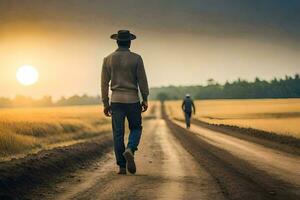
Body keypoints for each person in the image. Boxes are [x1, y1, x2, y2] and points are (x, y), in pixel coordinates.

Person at [101, 30, 149, 175]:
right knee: (136, 128)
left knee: (118, 134)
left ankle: (122, 167)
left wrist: (105, 102)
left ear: (117, 41)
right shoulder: (137, 58)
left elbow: (104, 84)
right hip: (133, 100)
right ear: (129, 42)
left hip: (116, 101)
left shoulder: (108, 59)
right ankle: (130, 148)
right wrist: (145, 98)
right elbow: (142, 81)